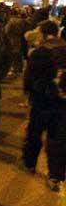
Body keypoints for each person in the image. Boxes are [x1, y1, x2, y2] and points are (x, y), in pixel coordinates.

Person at [22, 20, 66, 194]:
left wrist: (29, 95)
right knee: (58, 139)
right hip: (62, 104)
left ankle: (29, 163)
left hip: (41, 101)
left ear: (45, 33)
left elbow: (29, 78)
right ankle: (55, 176)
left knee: (34, 133)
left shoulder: (40, 52)